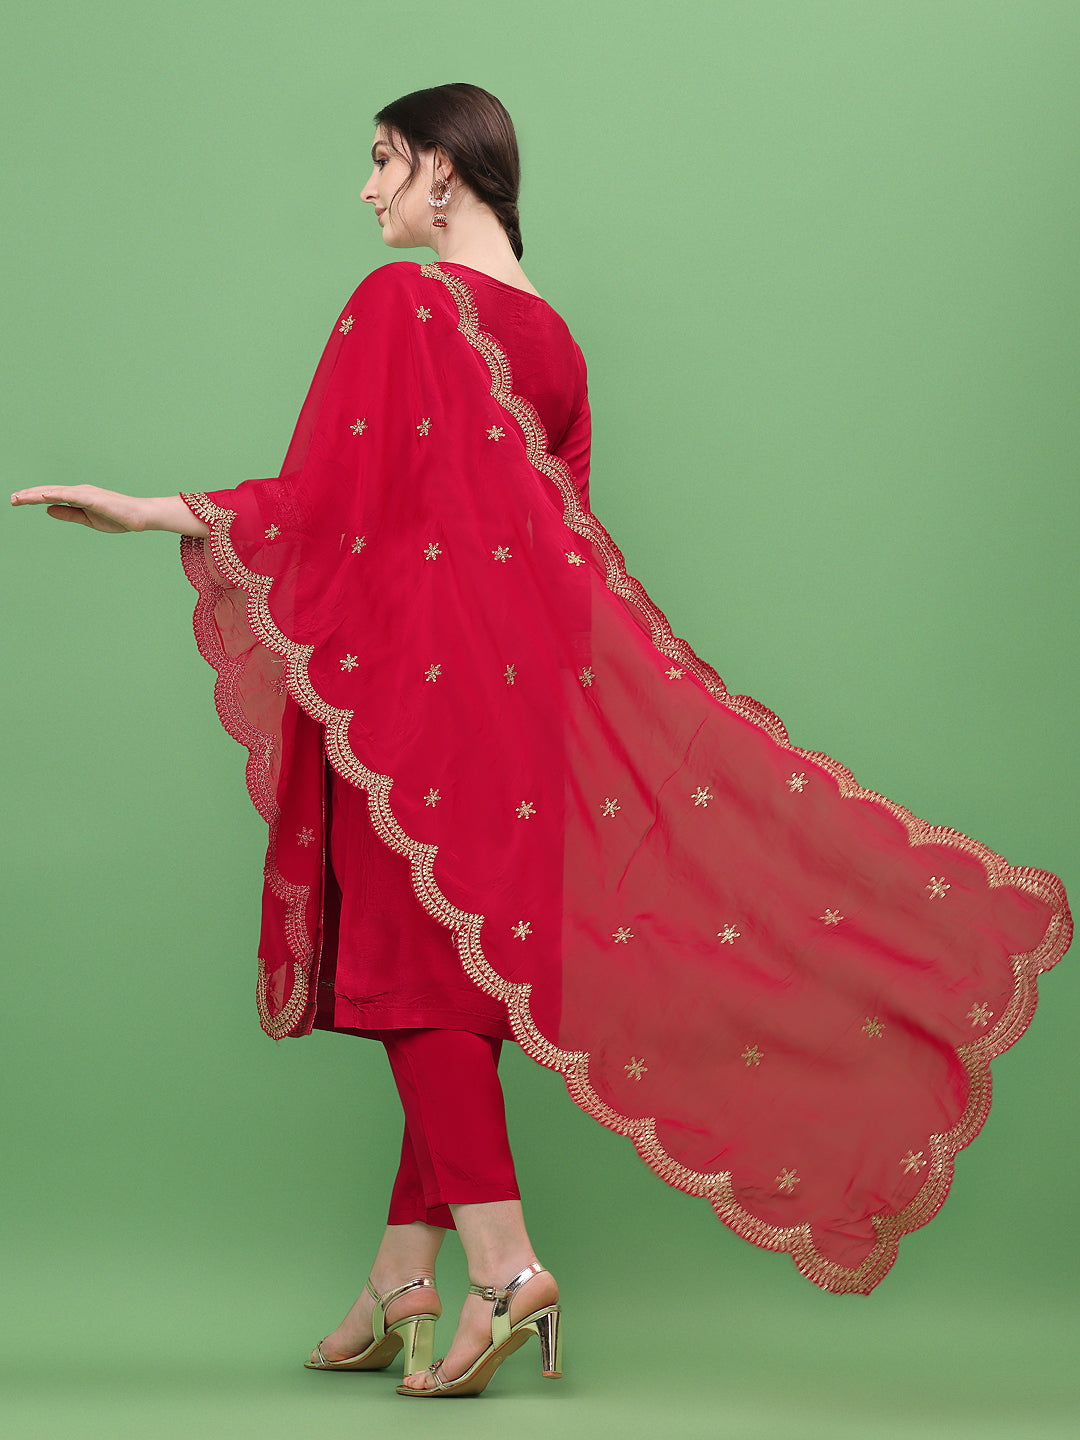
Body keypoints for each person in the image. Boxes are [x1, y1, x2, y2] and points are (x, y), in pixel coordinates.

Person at [10, 83, 1071, 1395]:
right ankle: (399, 1281)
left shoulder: (402, 305)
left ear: (447, 172)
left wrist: (149, 509)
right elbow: (563, 566)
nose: (368, 189)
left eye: (385, 160)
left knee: (416, 987)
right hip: (525, 724)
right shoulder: (556, 345)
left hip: (414, 707)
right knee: (463, 987)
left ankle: (506, 1271)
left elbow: (326, 503)